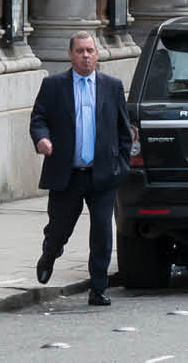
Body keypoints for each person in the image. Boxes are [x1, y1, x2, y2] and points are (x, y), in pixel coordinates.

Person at [30, 29, 134, 309]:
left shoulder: (112, 86)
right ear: (70, 55)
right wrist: (42, 138)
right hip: (68, 174)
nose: (86, 56)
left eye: (90, 51)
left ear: (97, 55)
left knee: (101, 232)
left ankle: (98, 288)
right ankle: (49, 255)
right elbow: (38, 118)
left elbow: (125, 131)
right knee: (59, 228)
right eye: (80, 51)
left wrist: (121, 165)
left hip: (102, 174)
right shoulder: (54, 86)